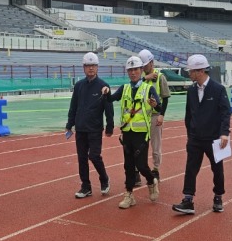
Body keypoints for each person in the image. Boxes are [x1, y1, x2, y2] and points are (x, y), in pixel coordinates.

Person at [173, 54, 231, 215]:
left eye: (190, 71)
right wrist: (190, 133)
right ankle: (188, 199)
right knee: (190, 169)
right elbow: (188, 114)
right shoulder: (191, 90)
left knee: (217, 169)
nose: (189, 74)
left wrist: (224, 133)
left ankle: (218, 196)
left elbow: (226, 112)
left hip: (214, 139)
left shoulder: (218, 89)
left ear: (199, 71)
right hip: (195, 138)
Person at [104, 56, 161, 209]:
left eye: (136, 69)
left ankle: (151, 181)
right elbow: (110, 99)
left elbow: (159, 107)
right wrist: (106, 91)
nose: (133, 72)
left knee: (141, 165)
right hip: (127, 132)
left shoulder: (149, 88)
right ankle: (129, 195)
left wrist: (155, 105)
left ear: (141, 70)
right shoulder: (124, 88)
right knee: (128, 166)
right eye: (130, 70)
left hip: (142, 134)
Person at [66, 52, 114, 199]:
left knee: (94, 156)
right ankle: (85, 186)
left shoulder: (103, 86)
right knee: (81, 158)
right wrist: (70, 124)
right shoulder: (79, 86)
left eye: (93, 65)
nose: (91, 68)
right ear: (84, 68)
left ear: (97, 67)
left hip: (95, 128)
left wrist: (110, 126)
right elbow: (73, 106)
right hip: (80, 128)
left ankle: (104, 178)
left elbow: (108, 108)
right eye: (88, 66)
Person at [138, 49, 170, 183]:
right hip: (141, 117)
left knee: (155, 146)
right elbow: (133, 86)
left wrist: (162, 115)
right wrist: (145, 77)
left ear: (151, 62)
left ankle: (155, 169)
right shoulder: (141, 78)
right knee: (139, 146)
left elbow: (166, 97)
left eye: (145, 65)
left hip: (155, 115)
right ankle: (138, 170)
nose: (143, 68)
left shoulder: (160, 77)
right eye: (142, 66)